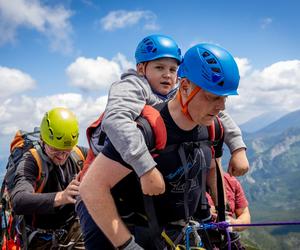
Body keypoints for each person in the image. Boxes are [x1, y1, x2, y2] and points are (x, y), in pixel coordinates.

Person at [79, 43, 242, 249]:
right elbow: (91, 188)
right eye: (213, 97)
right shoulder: (144, 129)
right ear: (185, 88)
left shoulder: (210, 125)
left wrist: (223, 211)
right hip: (136, 230)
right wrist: (128, 246)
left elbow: (211, 168)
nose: (221, 106)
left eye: (224, 98)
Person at [80, 34, 248, 198]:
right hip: (101, 167)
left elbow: (216, 111)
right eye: (159, 67)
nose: (167, 74)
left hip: (132, 167)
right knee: (93, 209)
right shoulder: (132, 86)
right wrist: (146, 167)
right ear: (141, 69)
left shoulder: (177, 90)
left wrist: (238, 148)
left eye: (173, 69)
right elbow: (116, 120)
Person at [10, 107, 87, 249]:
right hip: (41, 239)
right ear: (42, 140)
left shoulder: (78, 154)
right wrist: (61, 197)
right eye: (55, 150)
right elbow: (19, 200)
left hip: (73, 230)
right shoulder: (31, 161)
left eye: (66, 151)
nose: (62, 156)